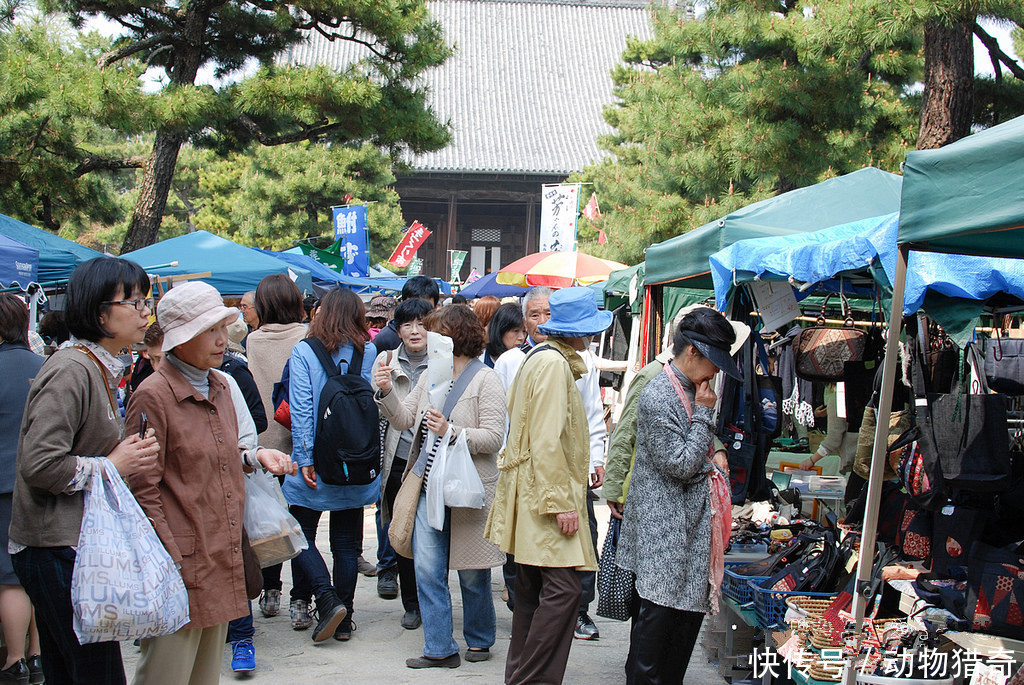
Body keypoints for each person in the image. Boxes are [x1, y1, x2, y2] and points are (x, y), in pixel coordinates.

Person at [126, 281, 294, 685]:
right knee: (167, 673)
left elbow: (217, 454)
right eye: (210, 330)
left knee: (205, 675)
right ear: (180, 340)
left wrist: (252, 457)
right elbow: (142, 489)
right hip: (179, 562)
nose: (223, 340)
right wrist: (170, 558)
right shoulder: (153, 395)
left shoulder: (220, 384)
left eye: (224, 327)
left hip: (221, 553)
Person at [11, 257, 161, 685]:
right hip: (54, 547)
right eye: (133, 302)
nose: (144, 312)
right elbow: (40, 463)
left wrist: (124, 458)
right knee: (97, 674)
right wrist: (113, 464)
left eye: (145, 301)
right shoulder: (71, 370)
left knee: (70, 671)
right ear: (100, 313)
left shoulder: (97, 367)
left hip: (70, 545)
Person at [485, 287, 609, 685]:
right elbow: (545, 440)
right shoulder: (553, 364)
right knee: (563, 592)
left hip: (531, 492)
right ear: (578, 332)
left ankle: (518, 675)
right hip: (545, 495)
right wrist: (562, 504)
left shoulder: (539, 358)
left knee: (533, 591)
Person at [375, 304, 506, 670]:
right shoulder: (430, 374)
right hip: (426, 485)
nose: (426, 337)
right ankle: (438, 646)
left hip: (469, 490)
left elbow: (495, 437)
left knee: (472, 572)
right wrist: (386, 392)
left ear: (452, 336)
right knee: (428, 571)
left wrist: (452, 432)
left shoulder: (486, 379)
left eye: (433, 331)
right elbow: (403, 419)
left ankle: (479, 639)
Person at [617, 308, 740, 684]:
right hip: (664, 543)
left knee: (676, 647)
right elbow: (681, 464)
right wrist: (706, 416)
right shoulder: (658, 395)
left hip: (684, 541)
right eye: (713, 363)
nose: (716, 373)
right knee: (651, 654)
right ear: (692, 354)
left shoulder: (687, 388)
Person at [283, 287, 378, 643]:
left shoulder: (304, 351)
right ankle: (346, 615)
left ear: (322, 314)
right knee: (344, 541)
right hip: (356, 462)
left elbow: (303, 408)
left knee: (299, 533)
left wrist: (304, 458)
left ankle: (325, 598)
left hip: (318, 463)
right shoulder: (368, 351)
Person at [244, 274, 308, 623]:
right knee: (299, 523)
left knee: (268, 520)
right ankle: (301, 599)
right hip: (298, 441)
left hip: (262, 442)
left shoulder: (252, 340)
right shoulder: (307, 336)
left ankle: (271, 591)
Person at [368, 298, 433, 627]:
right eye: (407, 324)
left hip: (432, 460)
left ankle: (431, 600)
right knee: (404, 531)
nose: (415, 330)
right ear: (398, 328)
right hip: (398, 460)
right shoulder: (386, 360)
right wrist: (381, 388)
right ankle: (412, 603)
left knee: (431, 534)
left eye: (421, 323)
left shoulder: (443, 360)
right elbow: (381, 409)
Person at [0, 295, 44, 684]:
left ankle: (15, 660)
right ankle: (37, 652)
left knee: (8, 575)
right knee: (34, 569)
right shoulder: (44, 366)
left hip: (2, 483)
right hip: (40, 482)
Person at [373, 276, 440, 353]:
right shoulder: (386, 337)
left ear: (435, 307)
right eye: (412, 305)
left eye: (425, 306)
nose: (418, 310)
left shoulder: (444, 335)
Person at [482, 303, 525, 369]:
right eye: (516, 331)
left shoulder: (526, 359)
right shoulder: (480, 358)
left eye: (524, 332)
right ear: (500, 330)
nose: (521, 337)